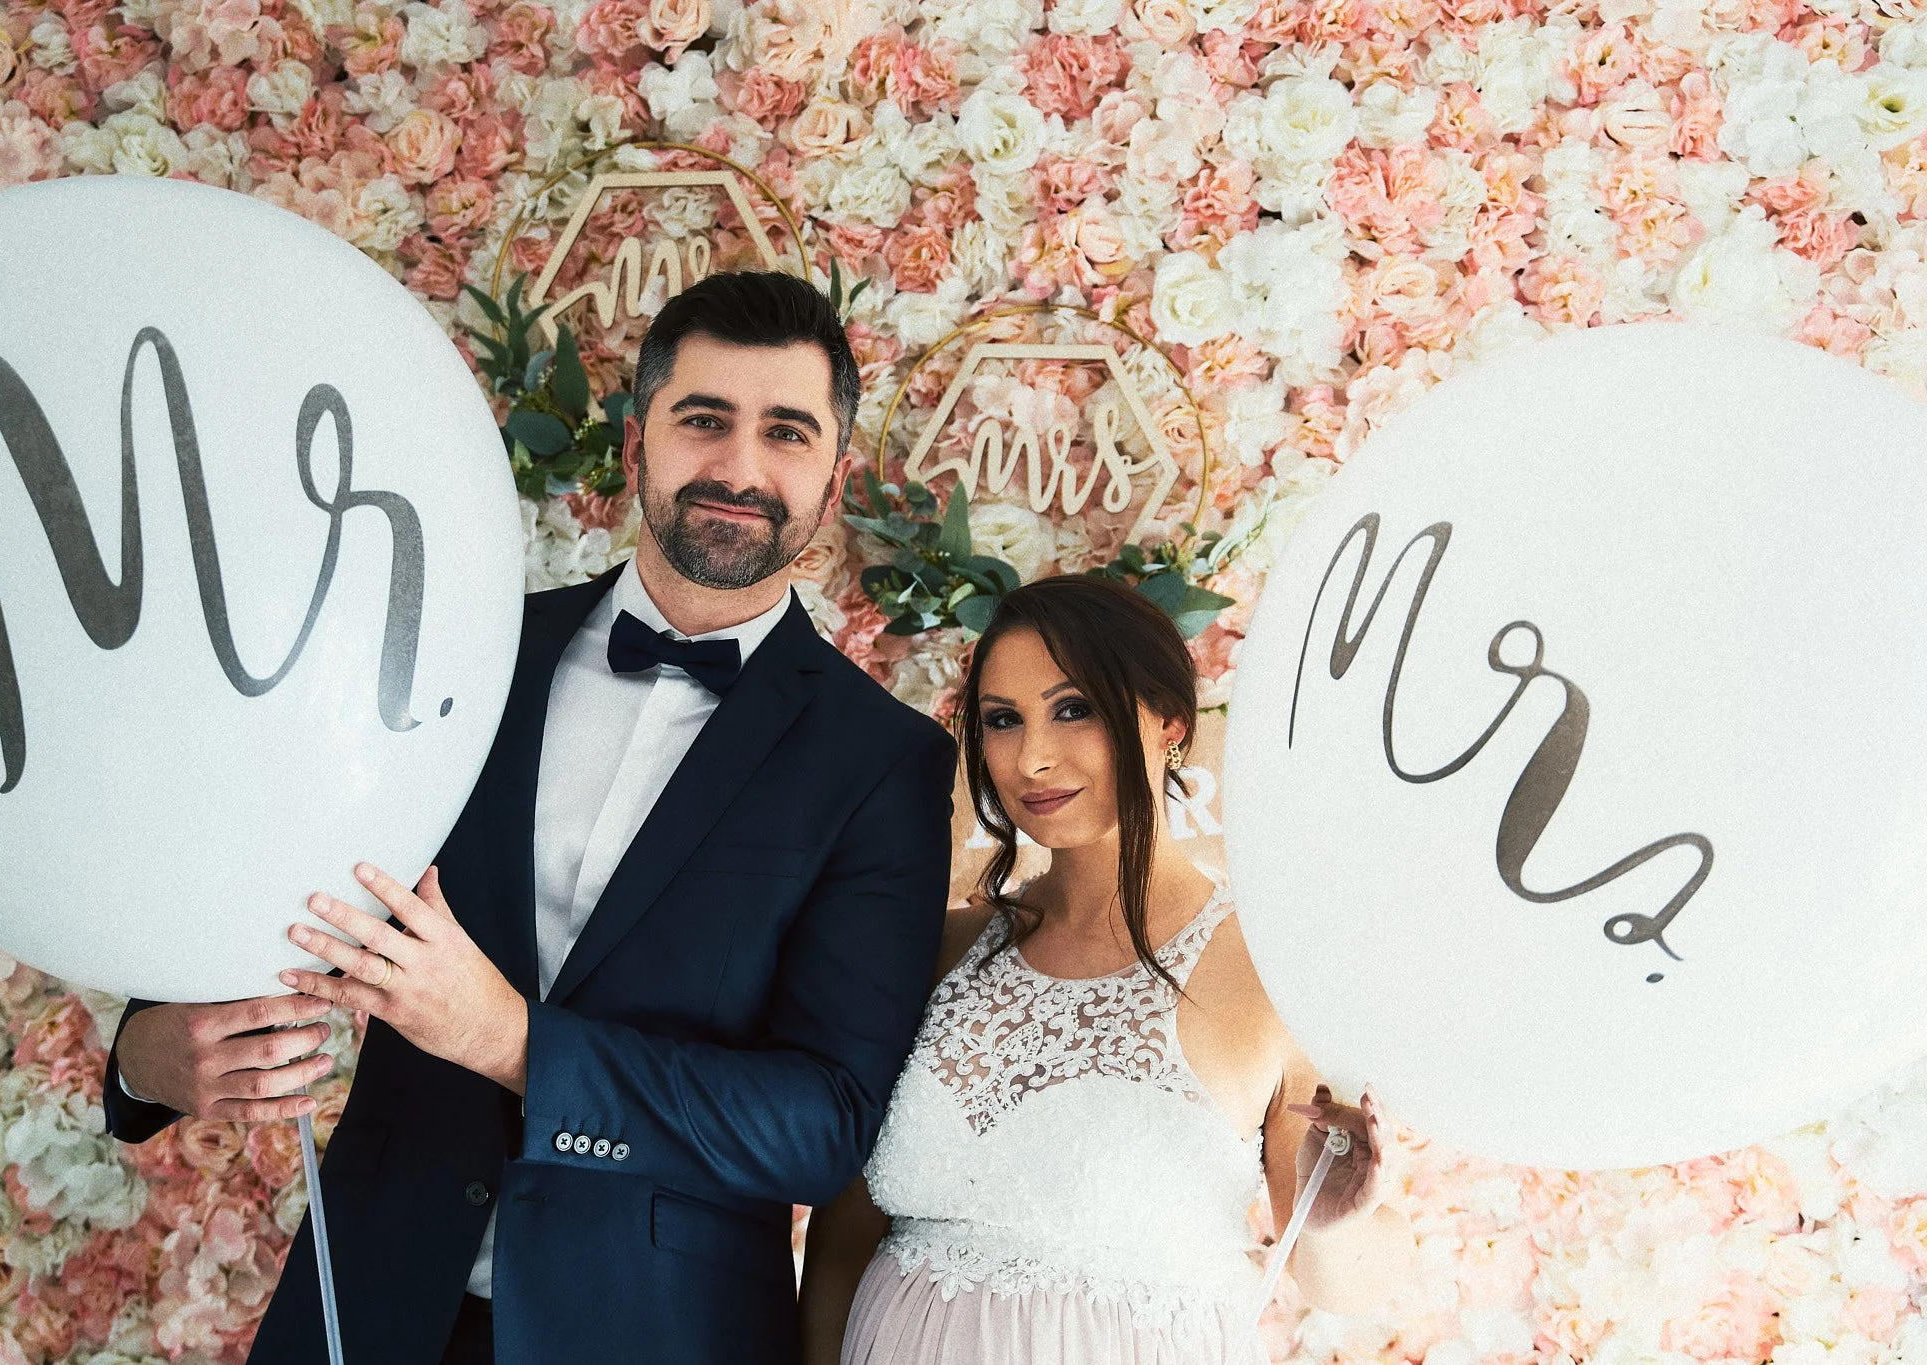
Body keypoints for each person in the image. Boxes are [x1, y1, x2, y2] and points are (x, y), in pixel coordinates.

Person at [102, 271, 958, 1365]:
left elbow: (820, 1125)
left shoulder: (883, 763)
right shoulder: (452, 650)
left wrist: (510, 1043)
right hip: (364, 1307)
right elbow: (269, 869)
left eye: (784, 433)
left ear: (832, 479)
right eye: (703, 420)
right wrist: (143, 1054)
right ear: (636, 439)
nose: (739, 469)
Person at [800, 575, 1416, 1365]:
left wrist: (1338, 1225)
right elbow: (845, 1231)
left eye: (1073, 707)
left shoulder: (1275, 973)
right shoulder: (937, 951)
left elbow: (1343, 1281)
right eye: (1002, 720)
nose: (1033, 756)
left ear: (1170, 723)